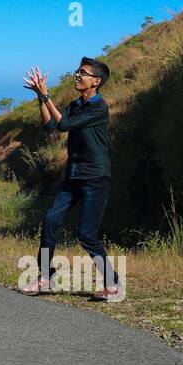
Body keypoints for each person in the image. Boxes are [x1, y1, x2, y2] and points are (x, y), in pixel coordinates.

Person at [21, 57, 122, 300]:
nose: (77, 75)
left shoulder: (99, 107)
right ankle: (46, 277)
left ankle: (114, 284)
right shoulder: (76, 104)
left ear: (96, 81)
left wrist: (46, 95)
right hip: (73, 175)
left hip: (96, 177)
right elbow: (50, 126)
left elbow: (64, 125)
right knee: (50, 222)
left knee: (86, 234)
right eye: (78, 71)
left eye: (83, 73)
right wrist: (39, 96)